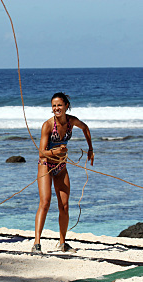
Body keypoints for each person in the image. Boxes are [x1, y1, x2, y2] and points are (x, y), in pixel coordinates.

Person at [33, 93, 94, 254]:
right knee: (45, 203)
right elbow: (41, 153)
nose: (56, 108)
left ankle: (62, 243)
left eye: (59, 105)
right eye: (53, 105)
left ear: (66, 105)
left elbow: (85, 128)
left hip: (61, 167)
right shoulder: (47, 125)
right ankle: (37, 244)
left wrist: (90, 149)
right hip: (45, 166)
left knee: (64, 206)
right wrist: (57, 151)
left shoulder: (71, 121)